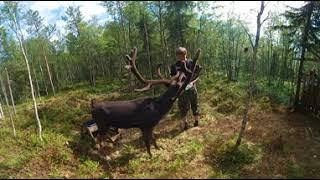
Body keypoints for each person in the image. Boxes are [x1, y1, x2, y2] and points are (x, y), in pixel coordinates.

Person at [170, 47, 200, 130]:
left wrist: (193, 82)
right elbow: (172, 78)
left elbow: (197, 74)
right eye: (178, 55)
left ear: (185, 54)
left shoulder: (191, 62)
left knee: (195, 104)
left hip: (191, 87)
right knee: (182, 107)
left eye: (181, 55)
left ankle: (196, 122)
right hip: (181, 90)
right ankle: (185, 124)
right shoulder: (174, 66)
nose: (179, 57)